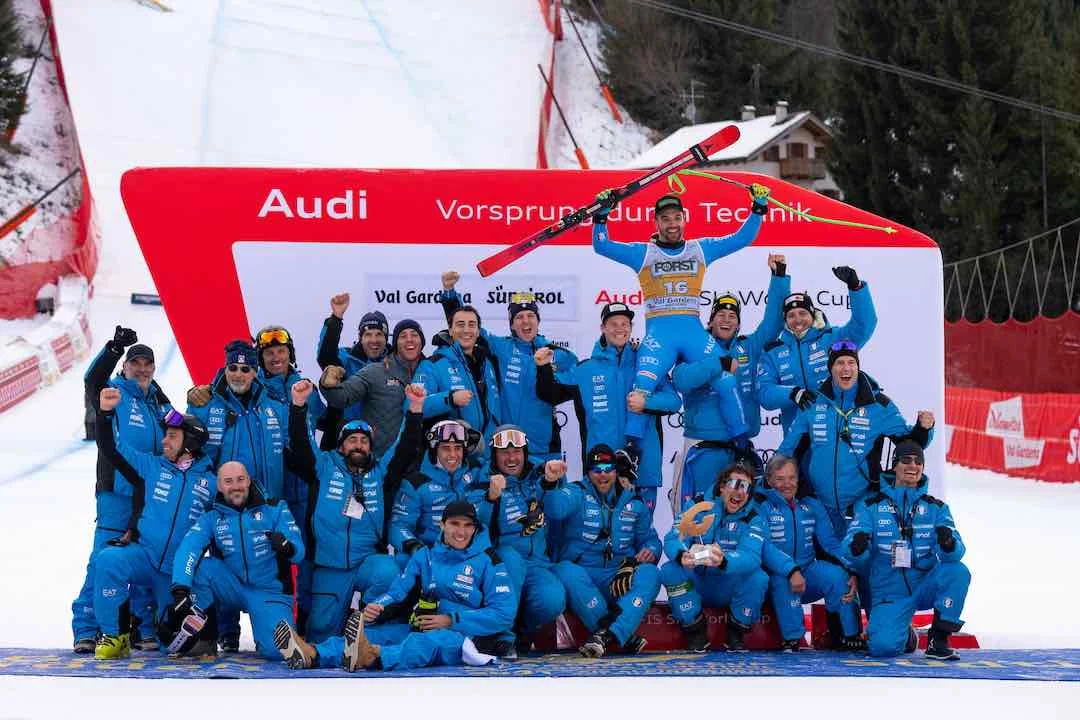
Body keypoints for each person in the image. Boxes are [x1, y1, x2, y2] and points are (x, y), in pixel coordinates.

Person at [591, 189, 768, 453]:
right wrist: (601, 215)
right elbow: (602, 245)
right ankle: (630, 450)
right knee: (642, 388)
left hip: (693, 334)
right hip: (659, 337)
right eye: (665, 219)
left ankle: (742, 444)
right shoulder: (644, 253)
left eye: (676, 217)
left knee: (727, 380)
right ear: (656, 222)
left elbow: (742, 238)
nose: (672, 224)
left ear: (684, 219)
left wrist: (758, 207)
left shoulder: (700, 249)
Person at [274, 500, 516, 672]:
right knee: (376, 634)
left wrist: (450, 620)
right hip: (425, 626)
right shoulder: (426, 556)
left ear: (475, 528)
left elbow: (504, 614)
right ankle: (313, 654)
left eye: (467, 525)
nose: (461, 532)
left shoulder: (489, 561)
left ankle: (373, 657)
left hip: (470, 639)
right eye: (454, 524)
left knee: (423, 643)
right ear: (442, 525)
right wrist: (378, 606)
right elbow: (398, 590)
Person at [286, 379, 426, 644]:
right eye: (352, 440)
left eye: (364, 441)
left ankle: (367, 629)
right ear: (341, 446)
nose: (358, 445)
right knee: (320, 635)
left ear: (370, 446)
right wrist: (299, 405)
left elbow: (405, 448)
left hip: (367, 562)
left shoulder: (381, 472)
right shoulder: (323, 466)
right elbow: (302, 443)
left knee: (388, 570)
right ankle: (332, 638)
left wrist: (415, 408)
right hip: (329, 566)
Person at [91, 387, 215, 659]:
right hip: (144, 556)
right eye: (165, 435)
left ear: (190, 442)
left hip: (177, 572)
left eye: (172, 436)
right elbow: (112, 447)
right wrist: (105, 414)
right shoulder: (152, 466)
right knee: (109, 560)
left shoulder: (212, 481)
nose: (164, 441)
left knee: (175, 644)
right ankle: (116, 635)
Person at [73, 327, 170, 653]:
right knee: (104, 560)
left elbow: (180, 429)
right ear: (125, 367)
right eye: (135, 363)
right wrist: (113, 349)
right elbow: (92, 381)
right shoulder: (114, 392)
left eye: (147, 364)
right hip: (116, 493)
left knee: (146, 560)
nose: (142, 369)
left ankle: (143, 628)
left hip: (149, 497)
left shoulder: (157, 401)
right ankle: (87, 628)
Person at [776, 342, 935, 535]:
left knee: (858, 551)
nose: (846, 368)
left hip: (862, 506)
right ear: (830, 369)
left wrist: (924, 428)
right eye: (839, 363)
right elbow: (788, 448)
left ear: (858, 367)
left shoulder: (879, 405)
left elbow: (910, 443)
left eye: (851, 362)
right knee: (827, 552)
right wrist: (772, 475)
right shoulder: (814, 402)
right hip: (820, 506)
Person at [535, 302, 681, 512]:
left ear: (630, 328)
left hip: (642, 470)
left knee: (641, 530)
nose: (619, 328)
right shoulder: (585, 370)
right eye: (613, 324)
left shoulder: (648, 364)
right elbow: (550, 394)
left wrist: (646, 403)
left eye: (624, 323)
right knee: (601, 531)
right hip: (601, 472)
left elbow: (674, 401)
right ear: (603, 327)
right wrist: (543, 368)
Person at [669, 254, 790, 507]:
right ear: (710, 320)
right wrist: (718, 364)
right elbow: (682, 381)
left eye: (732, 316)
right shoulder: (693, 348)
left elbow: (773, 323)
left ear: (738, 325)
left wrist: (779, 277)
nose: (726, 319)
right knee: (696, 516)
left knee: (738, 517)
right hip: (701, 448)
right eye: (720, 315)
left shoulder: (748, 347)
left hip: (739, 450)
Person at [843, 441, 970, 659]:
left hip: (924, 586)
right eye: (906, 460)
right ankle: (907, 635)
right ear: (895, 465)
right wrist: (857, 547)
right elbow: (850, 548)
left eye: (919, 462)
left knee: (957, 570)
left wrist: (949, 544)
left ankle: (938, 639)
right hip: (889, 593)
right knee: (883, 648)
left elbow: (957, 552)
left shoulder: (936, 508)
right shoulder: (870, 506)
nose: (913, 466)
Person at [168, 461, 305, 661]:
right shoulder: (213, 516)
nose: (235, 486)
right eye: (228, 481)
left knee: (277, 652)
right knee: (201, 569)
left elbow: (299, 552)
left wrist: (288, 547)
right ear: (219, 486)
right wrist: (180, 589)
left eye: (240, 479)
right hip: (233, 586)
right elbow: (189, 547)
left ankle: (273, 635)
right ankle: (205, 639)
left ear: (248, 481)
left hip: (269, 591)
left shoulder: (275, 508)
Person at [439, 273, 578, 461]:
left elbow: (574, 371)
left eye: (531, 315)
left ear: (538, 321)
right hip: (506, 446)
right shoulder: (500, 348)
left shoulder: (555, 352)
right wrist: (449, 293)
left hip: (544, 448)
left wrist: (549, 365)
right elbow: (466, 327)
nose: (525, 321)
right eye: (519, 317)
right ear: (512, 324)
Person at [545, 444, 662, 658]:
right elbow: (555, 508)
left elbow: (651, 540)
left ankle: (604, 635)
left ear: (616, 472)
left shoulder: (634, 502)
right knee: (563, 570)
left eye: (608, 469)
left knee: (652, 573)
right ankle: (619, 634)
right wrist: (551, 483)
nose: (603, 475)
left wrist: (650, 551)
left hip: (619, 576)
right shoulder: (577, 492)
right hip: (583, 574)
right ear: (588, 473)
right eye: (597, 470)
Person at [469, 425, 568, 652]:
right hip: (500, 560)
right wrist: (490, 497)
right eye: (504, 453)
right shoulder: (482, 478)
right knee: (511, 558)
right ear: (494, 455)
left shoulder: (540, 472)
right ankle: (501, 636)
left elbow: (557, 510)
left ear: (525, 452)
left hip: (536, 563)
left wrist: (553, 481)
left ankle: (522, 632)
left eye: (516, 452)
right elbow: (473, 526)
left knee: (552, 600)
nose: (511, 458)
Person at [253, 324, 325, 633]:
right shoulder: (255, 388)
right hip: (273, 485)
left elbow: (326, 418)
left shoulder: (304, 385)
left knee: (308, 554)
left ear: (289, 353)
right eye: (269, 353)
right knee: (274, 555)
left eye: (281, 351)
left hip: (306, 484)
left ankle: (306, 619)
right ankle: (277, 621)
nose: (275, 357)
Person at [757, 454, 864, 651]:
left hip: (807, 570)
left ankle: (847, 634)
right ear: (769, 480)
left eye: (792, 478)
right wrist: (791, 570)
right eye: (780, 479)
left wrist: (851, 569)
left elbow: (830, 543)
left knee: (837, 576)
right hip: (776, 575)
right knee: (782, 581)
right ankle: (793, 638)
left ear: (798, 478)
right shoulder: (761, 505)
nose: (787, 484)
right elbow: (764, 547)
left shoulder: (811, 504)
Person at [659, 461, 769, 652]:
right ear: (722, 486)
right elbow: (673, 537)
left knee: (758, 577)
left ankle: (736, 632)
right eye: (734, 484)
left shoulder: (754, 517)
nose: (740, 491)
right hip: (698, 581)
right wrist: (682, 554)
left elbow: (751, 556)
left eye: (745, 487)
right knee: (670, 570)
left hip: (728, 584)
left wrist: (724, 560)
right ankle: (695, 631)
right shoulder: (697, 506)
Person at [757, 267, 878, 433]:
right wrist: (793, 394)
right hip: (798, 436)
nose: (797, 320)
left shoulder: (833, 338)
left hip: (837, 432)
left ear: (812, 315)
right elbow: (764, 393)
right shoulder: (773, 352)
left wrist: (855, 287)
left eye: (802, 313)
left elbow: (864, 326)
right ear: (785, 320)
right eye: (791, 315)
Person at [186, 340, 288, 502]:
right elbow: (187, 455)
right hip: (221, 504)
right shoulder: (203, 404)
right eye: (233, 368)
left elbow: (294, 452)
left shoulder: (276, 407)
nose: (238, 375)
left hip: (268, 503)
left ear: (255, 373)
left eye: (245, 369)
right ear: (225, 370)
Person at [320, 318, 427, 457]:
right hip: (379, 458)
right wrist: (327, 383)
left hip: (421, 460)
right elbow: (340, 396)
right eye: (403, 336)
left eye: (414, 335)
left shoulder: (432, 370)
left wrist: (449, 399)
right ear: (395, 343)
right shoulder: (375, 370)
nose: (409, 340)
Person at [389, 418, 486, 569]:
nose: (453, 454)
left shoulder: (476, 469)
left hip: (468, 550)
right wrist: (415, 548)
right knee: (403, 560)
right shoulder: (416, 483)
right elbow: (398, 525)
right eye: (446, 448)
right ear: (435, 450)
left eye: (458, 448)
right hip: (430, 551)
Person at [414, 304, 502, 452]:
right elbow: (411, 406)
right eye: (460, 325)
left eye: (471, 325)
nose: (466, 330)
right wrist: (449, 399)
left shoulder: (488, 363)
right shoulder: (432, 365)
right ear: (450, 330)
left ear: (478, 332)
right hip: (453, 455)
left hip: (488, 456)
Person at [315, 293, 390, 446]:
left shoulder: (395, 362)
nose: (374, 340)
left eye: (379, 334)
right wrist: (336, 318)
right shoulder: (347, 358)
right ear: (360, 338)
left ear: (386, 338)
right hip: (341, 439)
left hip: (380, 441)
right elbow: (325, 356)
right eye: (368, 334)